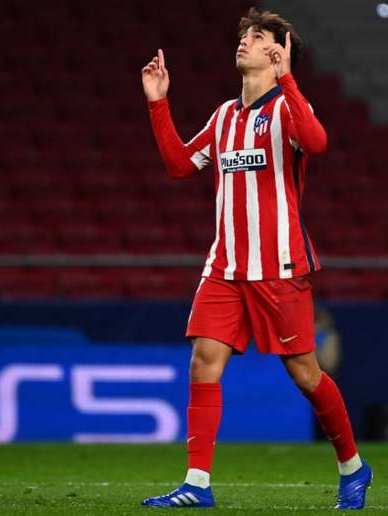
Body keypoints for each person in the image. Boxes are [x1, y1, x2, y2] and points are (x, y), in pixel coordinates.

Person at [139, 7, 372, 510]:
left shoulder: (288, 110)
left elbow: (318, 143)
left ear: (278, 52)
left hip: (281, 268)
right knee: (204, 362)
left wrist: (289, 80)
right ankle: (197, 484)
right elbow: (181, 165)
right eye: (244, 34)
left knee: (306, 375)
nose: (244, 41)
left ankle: (353, 466)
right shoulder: (224, 116)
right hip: (224, 268)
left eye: (258, 36)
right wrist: (159, 104)